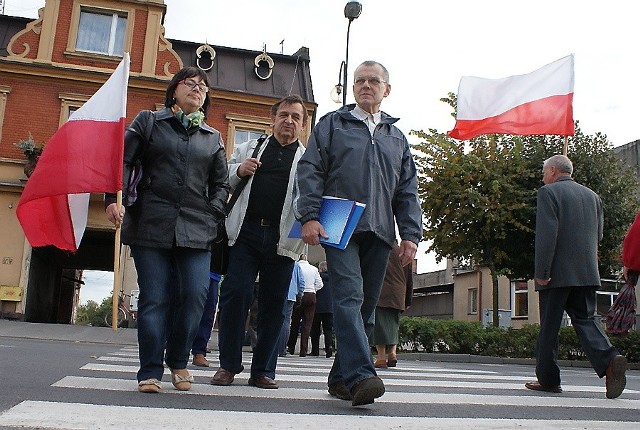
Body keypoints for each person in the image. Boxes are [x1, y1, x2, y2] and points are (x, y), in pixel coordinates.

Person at [294, 61, 422, 406]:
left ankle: (340, 379)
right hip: (337, 222)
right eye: (360, 81)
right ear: (353, 88)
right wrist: (308, 216)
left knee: (366, 309)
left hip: (380, 229)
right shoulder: (333, 124)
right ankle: (363, 374)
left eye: (373, 81)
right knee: (349, 296)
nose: (366, 85)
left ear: (386, 89)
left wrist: (410, 234)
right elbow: (310, 170)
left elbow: (407, 190)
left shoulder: (397, 138)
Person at [105, 66, 229, 393]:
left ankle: (178, 360)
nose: (197, 88)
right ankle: (149, 371)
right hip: (150, 222)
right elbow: (123, 160)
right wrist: (112, 199)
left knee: (194, 297)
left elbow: (221, 183)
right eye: (190, 83)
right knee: (155, 298)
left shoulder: (212, 137)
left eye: (203, 86)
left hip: (197, 227)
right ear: (174, 90)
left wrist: (212, 211)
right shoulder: (149, 121)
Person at [211, 95, 307, 390]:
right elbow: (220, 175)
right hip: (244, 233)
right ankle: (228, 365)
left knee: (274, 306)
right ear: (273, 119)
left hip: (283, 239)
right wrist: (239, 170)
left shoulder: (307, 160)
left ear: (302, 125)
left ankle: (263, 370)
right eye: (284, 115)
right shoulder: (249, 147)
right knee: (235, 295)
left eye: (296, 117)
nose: (289, 121)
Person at [526, 154, 627, 399]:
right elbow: (599, 235)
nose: (543, 177)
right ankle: (610, 359)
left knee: (549, 327)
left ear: (552, 171)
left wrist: (542, 272)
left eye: (543, 172)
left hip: (557, 275)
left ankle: (549, 380)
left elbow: (547, 234)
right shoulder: (593, 196)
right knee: (586, 319)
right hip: (587, 272)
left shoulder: (548, 193)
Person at [371, 242, 413, 368]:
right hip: (399, 292)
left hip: (381, 291)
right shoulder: (403, 251)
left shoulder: (376, 248)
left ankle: (381, 358)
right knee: (394, 324)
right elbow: (409, 278)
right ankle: (393, 353)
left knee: (379, 325)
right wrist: (408, 299)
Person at [287, 254, 323, 356]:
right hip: (311, 295)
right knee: (307, 324)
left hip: (299, 294)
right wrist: (313, 290)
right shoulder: (314, 269)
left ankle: (291, 346)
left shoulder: (296, 266)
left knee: (295, 322)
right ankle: (304, 349)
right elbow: (320, 284)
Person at [191, 270, 222, 367]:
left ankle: (199, 351)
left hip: (213, 269)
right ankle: (176, 350)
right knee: (183, 306)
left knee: (208, 309)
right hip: (188, 266)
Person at [278, 261, 305, 357]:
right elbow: (301, 282)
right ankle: (282, 349)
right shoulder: (296, 265)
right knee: (286, 321)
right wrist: (300, 295)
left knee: (274, 320)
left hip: (277, 293)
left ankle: (273, 348)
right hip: (291, 295)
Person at [310, 260, 334, 358]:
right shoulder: (333, 278)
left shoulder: (318, 277)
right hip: (330, 307)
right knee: (328, 329)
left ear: (320, 269)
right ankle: (329, 347)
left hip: (318, 306)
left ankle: (315, 350)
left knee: (315, 329)